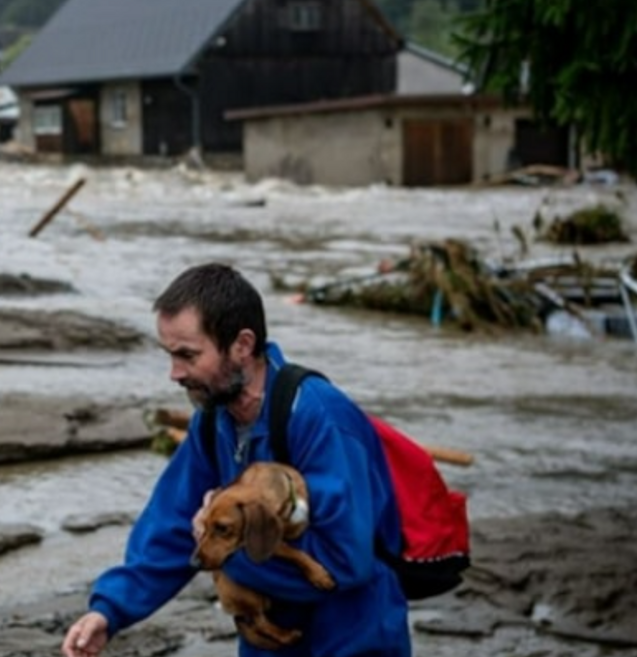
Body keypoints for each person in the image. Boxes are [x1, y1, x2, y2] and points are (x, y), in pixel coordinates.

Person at [61, 263, 409, 657]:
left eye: (188, 355)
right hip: (268, 641)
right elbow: (173, 524)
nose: (174, 373)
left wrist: (225, 553)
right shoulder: (214, 420)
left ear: (242, 345)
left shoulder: (320, 417)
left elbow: (346, 564)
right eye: (170, 355)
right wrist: (109, 611)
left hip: (352, 640)